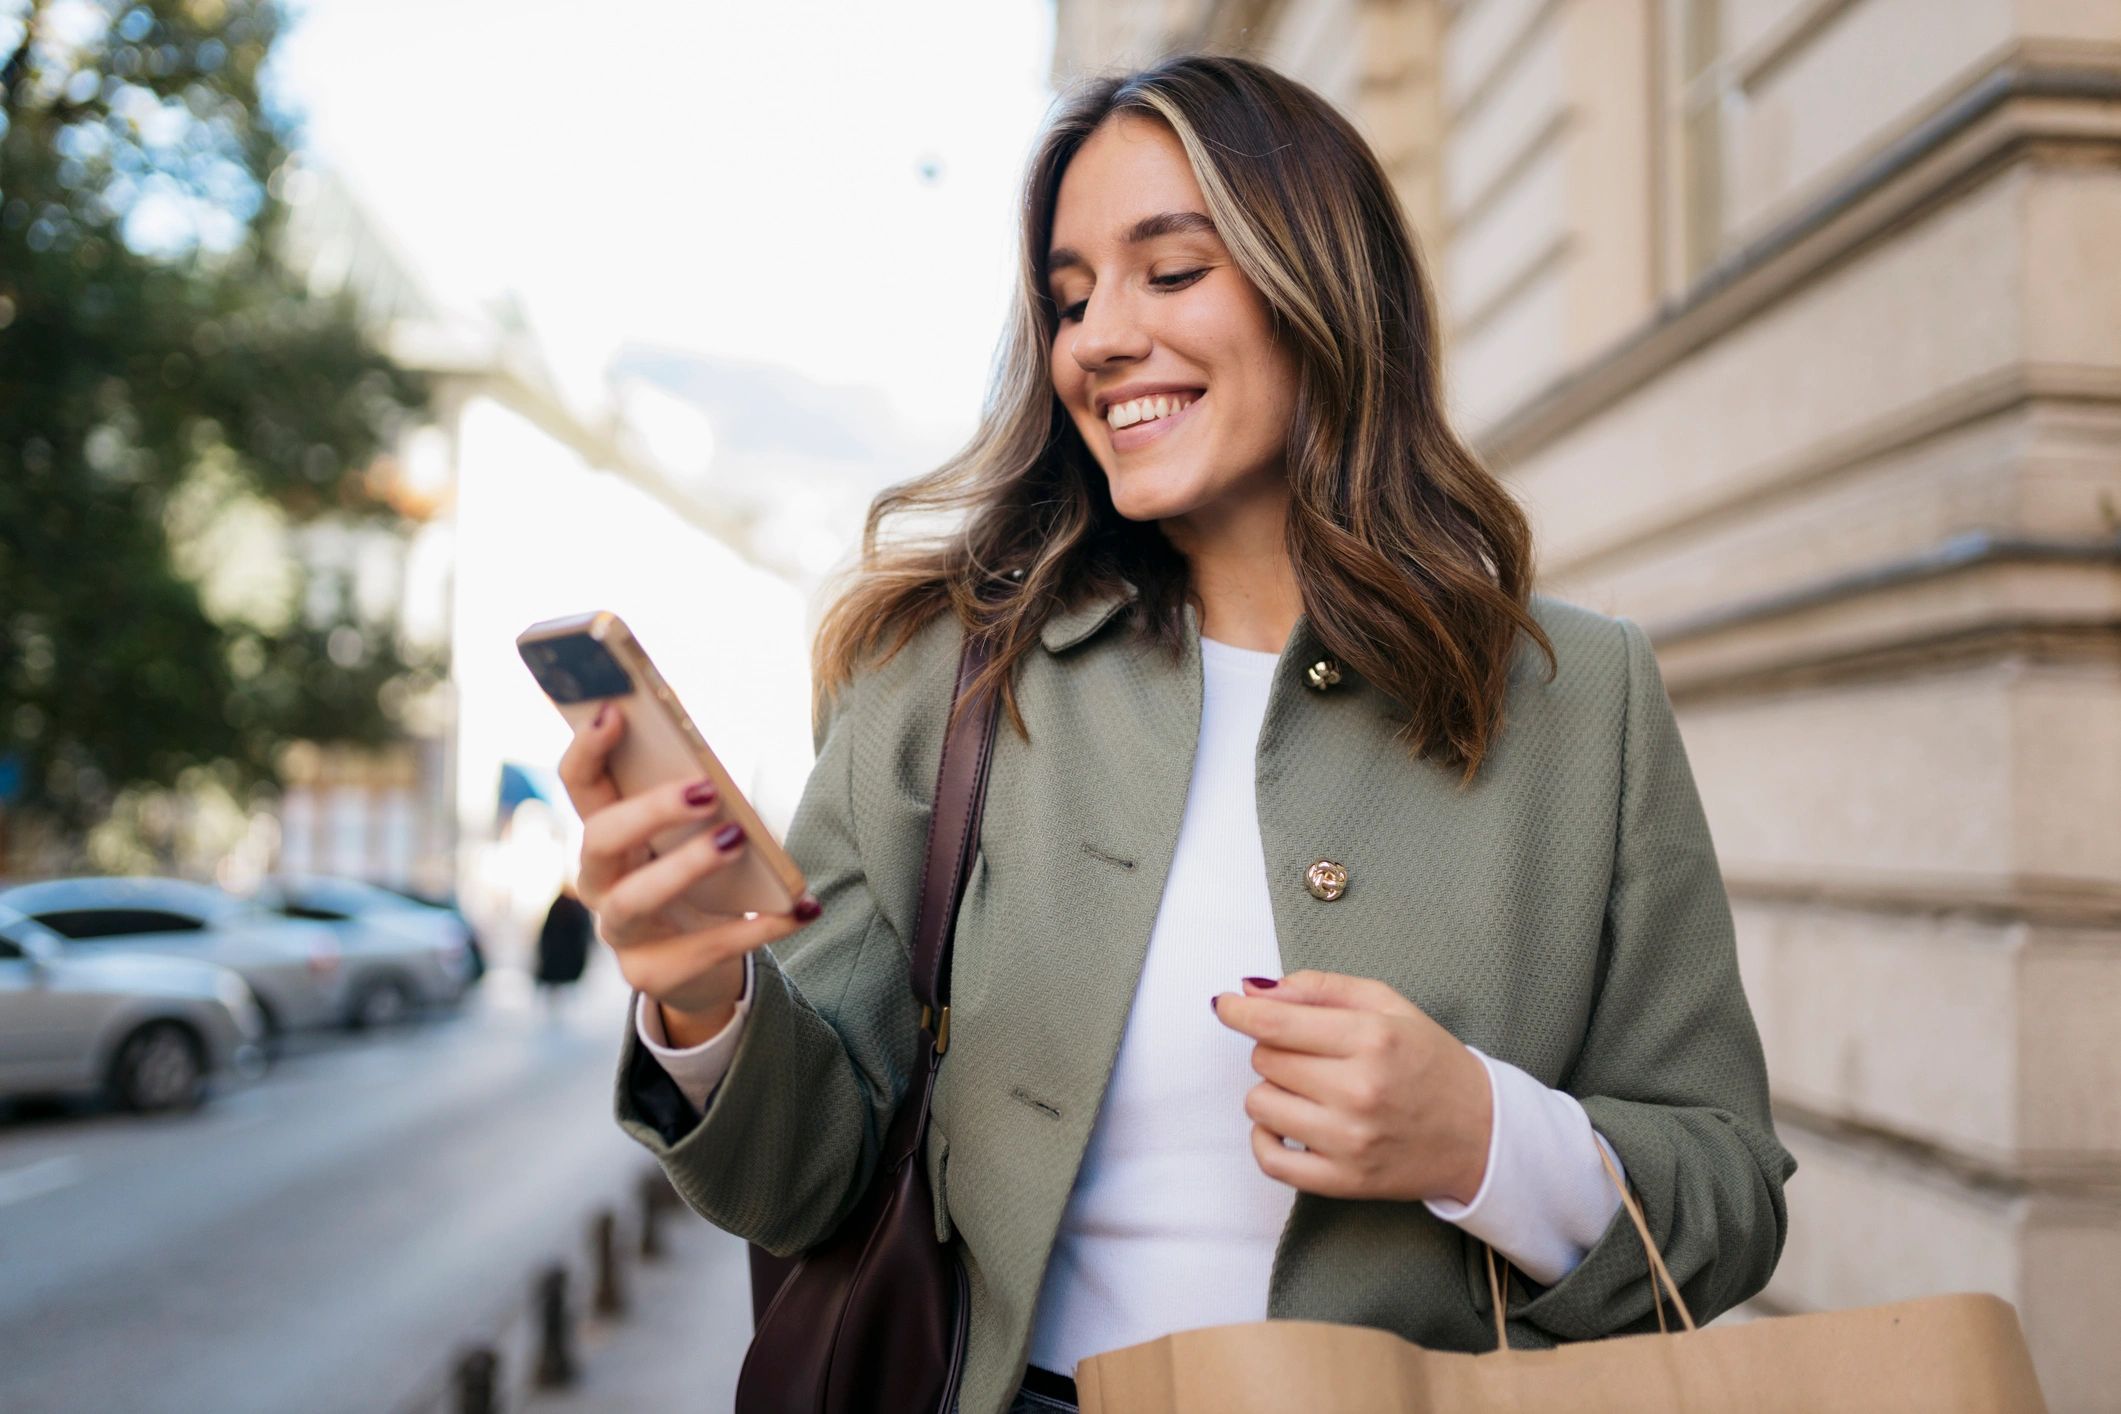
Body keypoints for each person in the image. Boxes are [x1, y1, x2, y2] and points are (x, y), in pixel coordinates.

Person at [556, 54, 1795, 1414]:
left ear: (1319, 285)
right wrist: (700, 1004)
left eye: (1170, 269)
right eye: (1070, 297)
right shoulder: (942, 680)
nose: (1094, 339)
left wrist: (1482, 1136)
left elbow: (1728, 1195)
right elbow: (802, 1177)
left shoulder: (1584, 697)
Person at [533, 880, 594, 1007]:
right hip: (564, 955)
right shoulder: (574, 907)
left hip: (559, 955)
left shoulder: (568, 907)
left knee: (560, 985)